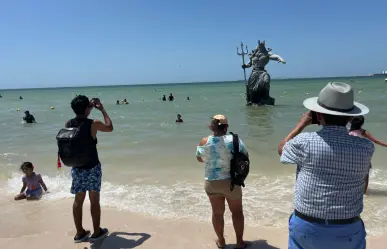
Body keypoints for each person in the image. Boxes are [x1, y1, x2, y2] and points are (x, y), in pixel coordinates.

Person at [278, 82, 374, 249]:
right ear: (351, 117)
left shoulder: (304, 142)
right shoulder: (366, 147)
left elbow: (282, 149)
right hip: (348, 229)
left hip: (307, 226)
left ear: (319, 115)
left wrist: (301, 124)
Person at [196, 114, 249, 249]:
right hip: (231, 182)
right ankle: (239, 243)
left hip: (212, 182)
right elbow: (245, 156)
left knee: (217, 213)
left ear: (212, 126)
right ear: (226, 127)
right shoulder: (234, 140)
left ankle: (221, 241)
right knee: (237, 212)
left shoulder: (204, 141)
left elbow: (200, 159)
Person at [66, 95, 113, 243]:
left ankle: (79, 233)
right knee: (94, 200)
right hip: (92, 167)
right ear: (87, 108)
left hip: (77, 167)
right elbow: (110, 127)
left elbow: (80, 122)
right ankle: (97, 231)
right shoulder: (93, 123)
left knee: (78, 200)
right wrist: (102, 109)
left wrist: (88, 108)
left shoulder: (68, 123)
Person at [349, 115, 387, 193]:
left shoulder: (348, 131)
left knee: (352, 174)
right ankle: (364, 193)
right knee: (365, 176)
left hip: (350, 156)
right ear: (362, 123)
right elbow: (376, 141)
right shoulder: (363, 132)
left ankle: (351, 190)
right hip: (362, 156)